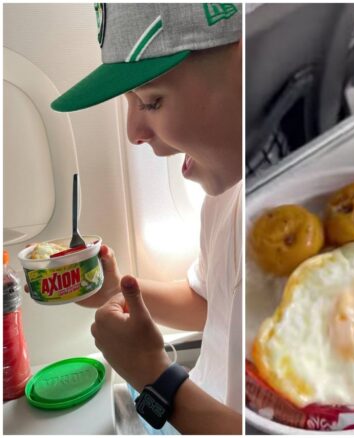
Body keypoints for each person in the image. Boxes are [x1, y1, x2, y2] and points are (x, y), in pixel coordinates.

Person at [49, 4, 242, 434]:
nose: (133, 133)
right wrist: (116, 290)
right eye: (130, 103)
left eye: (151, 101)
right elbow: (214, 307)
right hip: (202, 399)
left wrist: (153, 377)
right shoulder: (224, 196)